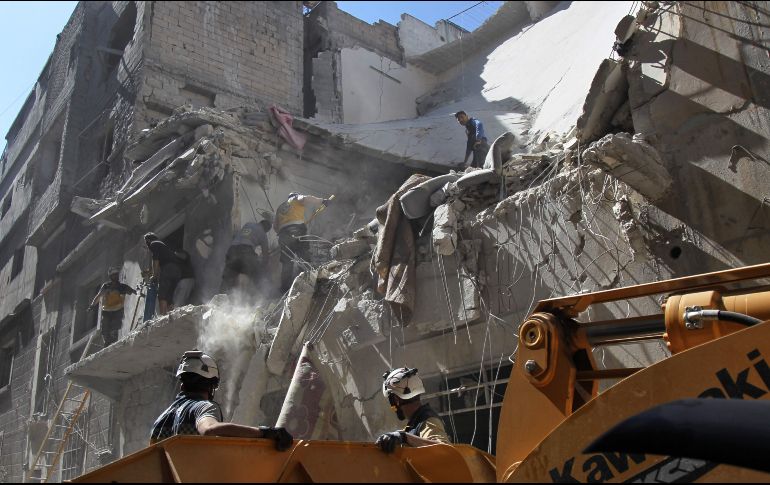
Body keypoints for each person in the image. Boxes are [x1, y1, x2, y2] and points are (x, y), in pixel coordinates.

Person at [150, 350, 294, 450]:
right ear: (211, 386)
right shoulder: (203, 407)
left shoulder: (160, 421)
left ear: (182, 384)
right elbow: (209, 429)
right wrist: (265, 433)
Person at [375, 367, 451, 453]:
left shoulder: (428, 421)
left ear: (396, 400)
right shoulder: (415, 424)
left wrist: (404, 437)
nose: (393, 407)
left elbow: (445, 450)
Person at [274, 193, 329, 292]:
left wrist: (284, 232)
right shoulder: (296, 198)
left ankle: (284, 290)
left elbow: (275, 227)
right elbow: (306, 198)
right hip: (297, 231)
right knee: (303, 258)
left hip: (283, 235)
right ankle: (305, 284)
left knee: (287, 263)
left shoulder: (280, 207)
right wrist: (322, 201)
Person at [220, 216, 272, 295]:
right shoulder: (263, 233)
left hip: (231, 250)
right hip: (246, 251)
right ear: (266, 229)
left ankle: (221, 298)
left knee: (228, 277)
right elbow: (265, 255)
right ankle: (267, 296)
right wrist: (263, 267)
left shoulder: (248, 224)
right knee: (258, 275)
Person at [89, 266, 137, 345]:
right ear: (110, 276)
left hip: (118, 310)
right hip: (106, 310)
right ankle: (107, 343)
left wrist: (139, 292)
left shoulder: (122, 287)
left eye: (116, 274)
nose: (116, 276)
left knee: (115, 328)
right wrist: (92, 305)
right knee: (105, 328)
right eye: (114, 275)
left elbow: (133, 291)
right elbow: (98, 296)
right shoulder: (106, 286)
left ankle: (113, 342)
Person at [144, 232, 187, 315]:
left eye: (146, 242)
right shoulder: (163, 246)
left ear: (148, 240)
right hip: (177, 271)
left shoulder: (154, 244)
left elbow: (155, 260)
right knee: (169, 295)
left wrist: (154, 275)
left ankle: (163, 316)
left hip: (168, 269)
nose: (146, 245)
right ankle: (170, 315)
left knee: (162, 295)